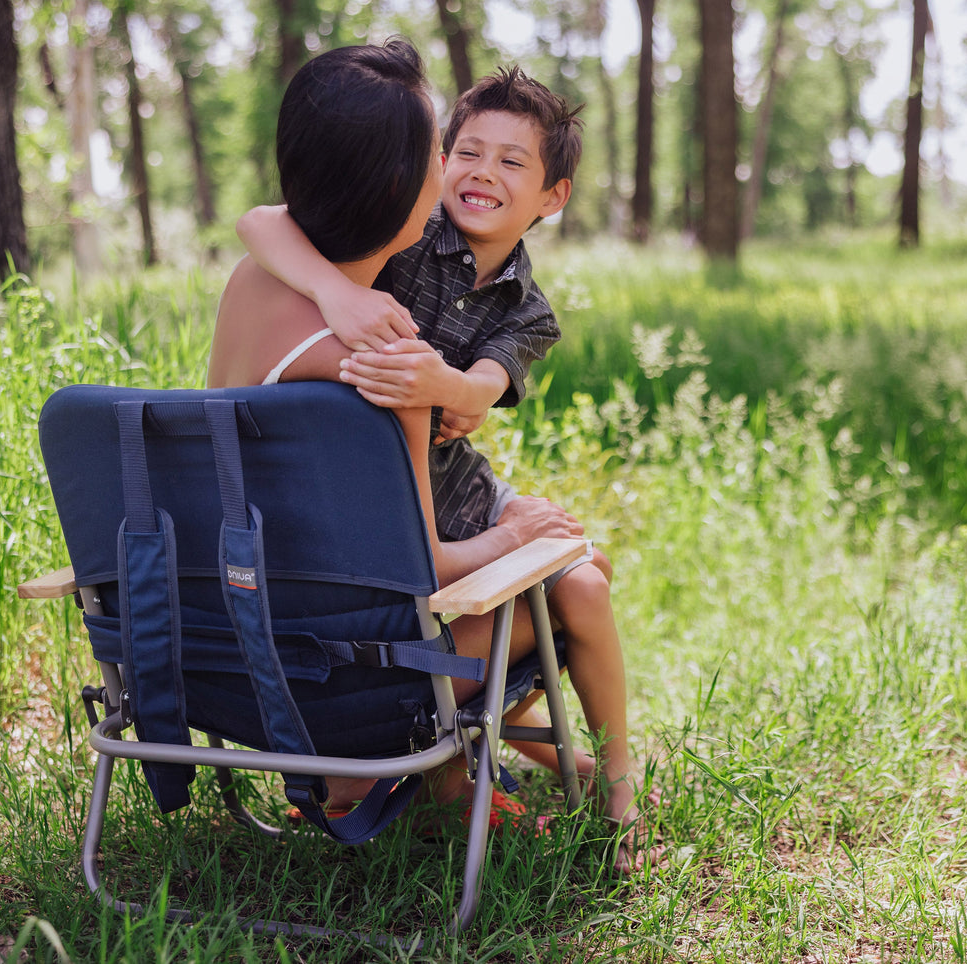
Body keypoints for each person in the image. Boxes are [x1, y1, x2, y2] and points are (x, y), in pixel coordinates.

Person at [208, 40, 660, 872]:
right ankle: (503, 773)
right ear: (421, 177)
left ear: (552, 197)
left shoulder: (515, 309)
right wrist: (344, 301)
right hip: (390, 559)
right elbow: (265, 221)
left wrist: (446, 386)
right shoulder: (398, 251)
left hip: (427, 506)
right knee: (573, 585)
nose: (474, 173)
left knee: (583, 578)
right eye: (457, 154)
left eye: (511, 162)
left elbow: (483, 389)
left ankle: (595, 773)